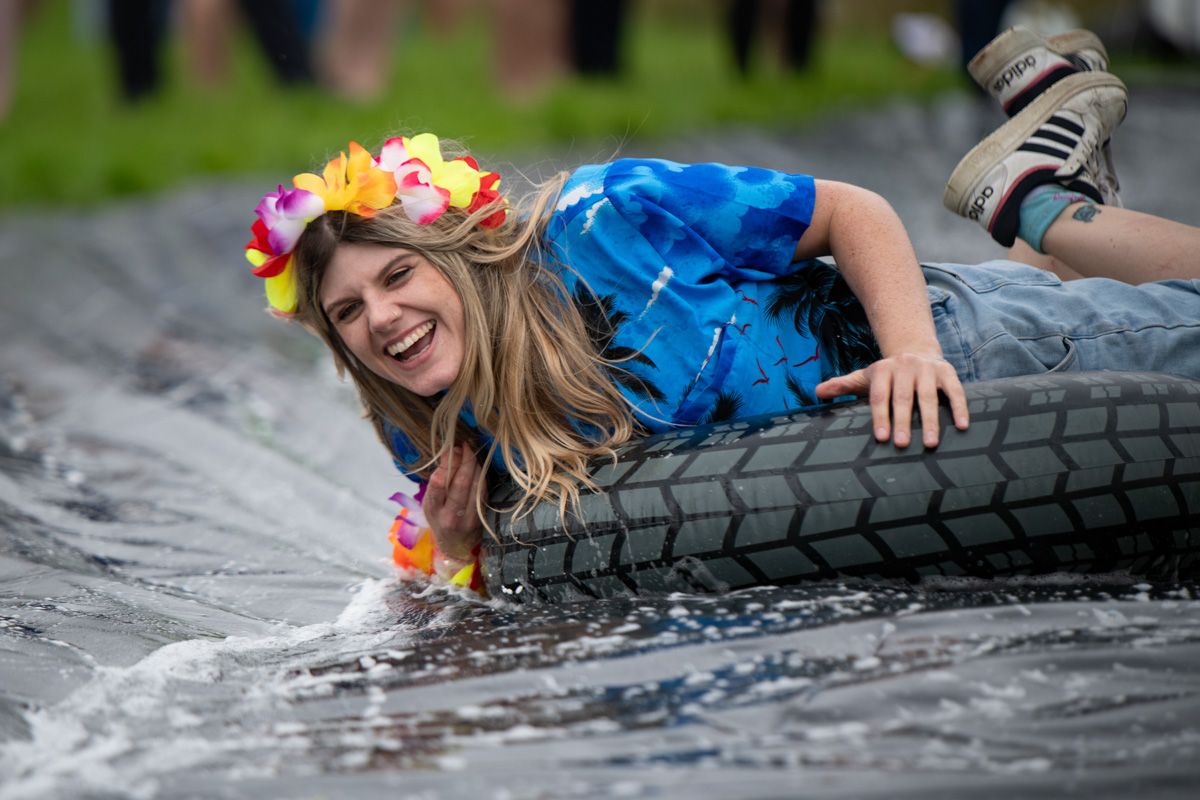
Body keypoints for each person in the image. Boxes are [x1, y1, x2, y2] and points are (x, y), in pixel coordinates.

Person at [242, 27, 1200, 589]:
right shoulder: (426, 415)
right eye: (349, 311)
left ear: (453, 255)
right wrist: (462, 548)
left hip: (949, 346)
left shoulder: (607, 220)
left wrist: (909, 350)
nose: (381, 318)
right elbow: (488, 576)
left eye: (396, 277)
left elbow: (848, 211)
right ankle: (1047, 187)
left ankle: (1036, 202)